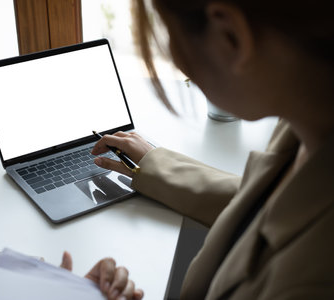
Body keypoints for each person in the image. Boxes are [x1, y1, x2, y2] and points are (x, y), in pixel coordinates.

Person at [62, 0, 334, 299]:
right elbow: (262, 202)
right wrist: (155, 164)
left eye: (169, 34)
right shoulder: (304, 127)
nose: (178, 60)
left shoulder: (311, 280)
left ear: (230, 34)